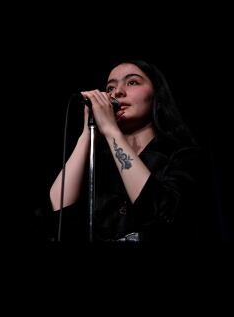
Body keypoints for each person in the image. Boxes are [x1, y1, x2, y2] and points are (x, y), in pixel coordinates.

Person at [47, 59, 210, 242]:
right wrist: (87, 133)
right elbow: (58, 216)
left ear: (156, 93)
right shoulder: (98, 161)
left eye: (132, 82)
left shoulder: (183, 155)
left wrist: (111, 130)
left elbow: (165, 217)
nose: (117, 92)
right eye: (110, 88)